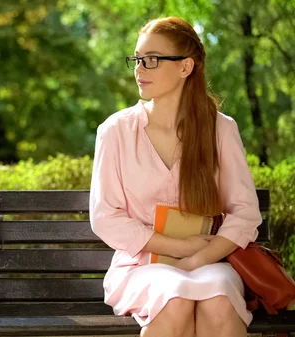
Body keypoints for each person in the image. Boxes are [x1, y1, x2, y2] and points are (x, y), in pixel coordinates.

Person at [89, 17, 261, 337]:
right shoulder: (115, 131)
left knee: (220, 295)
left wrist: (198, 258)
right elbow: (105, 217)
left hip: (210, 263)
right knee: (174, 294)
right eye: (137, 60)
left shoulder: (221, 128)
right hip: (138, 268)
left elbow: (245, 213)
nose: (140, 69)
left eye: (152, 60)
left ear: (186, 67)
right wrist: (179, 249)